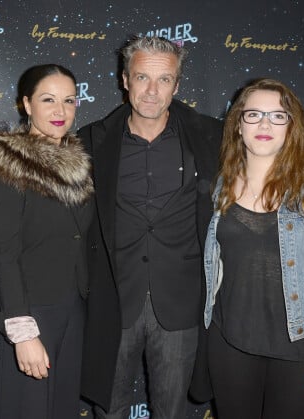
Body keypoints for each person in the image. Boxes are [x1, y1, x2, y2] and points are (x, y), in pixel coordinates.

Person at [203, 78, 304, 418]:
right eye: (254, 115)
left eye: (278, 116)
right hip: (229, 343)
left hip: (299, 347)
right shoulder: (220, 185)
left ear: (291, 127)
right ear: (238, 126)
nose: (264, 123)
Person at [77, 36, 223, 418]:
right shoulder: (90, 141)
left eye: (164, 80)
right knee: (108, 411)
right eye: (142, 77)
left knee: (172, 412)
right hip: (111, 303)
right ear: (125, 80)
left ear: (177, 84)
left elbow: (270, 147)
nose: (152, 91)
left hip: (181, 302)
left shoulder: (212, 136)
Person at [0, 64, 94, 419]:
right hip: (30, 312)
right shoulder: (8, 163)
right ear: (26, 104)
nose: (60, 111)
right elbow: (4, 253)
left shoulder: (78, 164)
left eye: (69, 101)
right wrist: (22, 332)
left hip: (72, 310)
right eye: (48, 99)